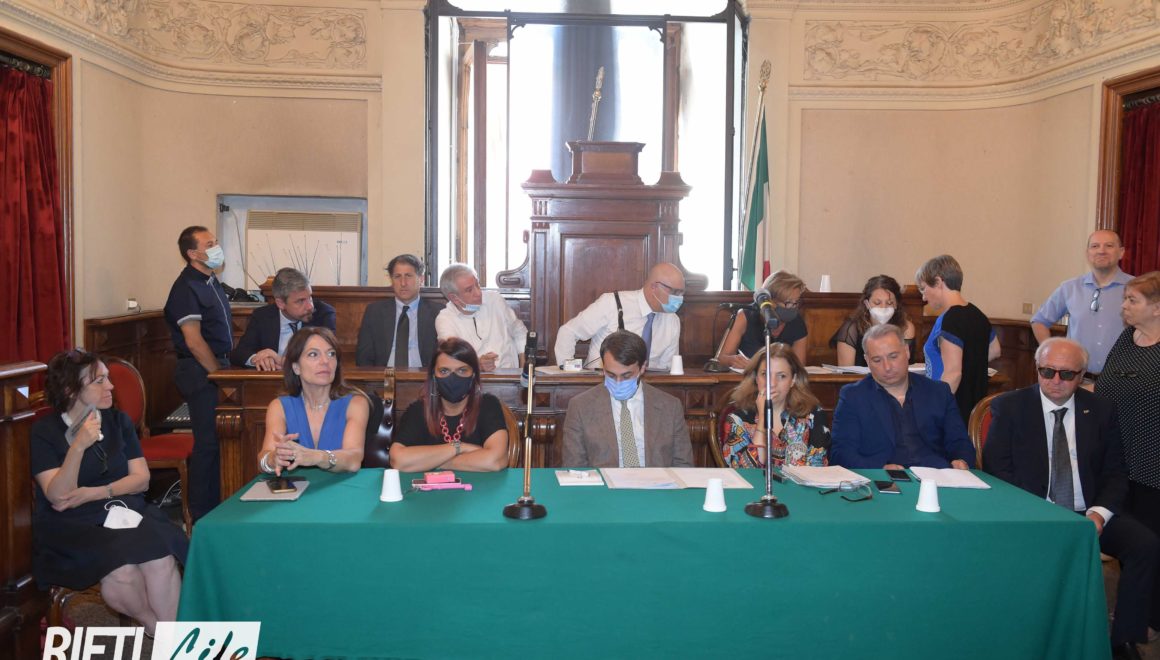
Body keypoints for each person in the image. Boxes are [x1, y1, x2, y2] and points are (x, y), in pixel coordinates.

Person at [986, 338, 1158, 660]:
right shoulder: (1010, 407)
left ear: (1081, 376)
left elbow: (1116, 472)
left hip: (1087, 511)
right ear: (1037, 369)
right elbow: (998, 472)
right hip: (1034, 512)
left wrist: (1099, 514)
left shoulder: (1101, 410)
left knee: (1145, 545)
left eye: (1066, 374)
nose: (1055, 381)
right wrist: (1041, 514)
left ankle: (1123, 641)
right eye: (1047, 371)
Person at [30, 349, 187, 636]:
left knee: (160, 559)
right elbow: (58, 496)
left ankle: (173, 641)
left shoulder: (117, 421)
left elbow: (141, 479)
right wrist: (78, 446)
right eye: (99, 381)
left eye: (108, 378)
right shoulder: (44, 432)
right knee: (123, 574)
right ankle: (159, 630)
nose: (111, 386)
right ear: (70, 390)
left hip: (122, 509)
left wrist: (96, 492)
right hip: (73, 524)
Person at [1097, 271, 1160, 609]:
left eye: (1132, 300)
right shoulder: (1126, 339)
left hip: (1153, 463)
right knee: (1128, 540)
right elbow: (1104, 387)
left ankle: (1150, 618)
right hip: (1117, 459)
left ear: (1157, 307)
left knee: (1152, 540)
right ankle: (1129, 610)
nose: (1124, 306)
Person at [831, 323, 975, 469]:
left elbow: (959, 442)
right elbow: (841, 453)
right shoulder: (853, 397)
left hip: (935, 474)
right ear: (867, 361)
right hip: (884, 477)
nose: (887, 367)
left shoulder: (938, 392)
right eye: (877, 360)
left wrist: (961, 460)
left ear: (906, 351)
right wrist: (880, 468)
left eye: (893, 356)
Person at [163, 225, 232, 521]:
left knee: (219, 442)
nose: (216, 247)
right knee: (208, 443)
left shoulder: (211, 281)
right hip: (200, 372)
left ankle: (220, 503)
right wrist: (219, 376)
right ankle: (201, 514)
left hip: (219, 367)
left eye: (216, 241)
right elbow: (194, 341)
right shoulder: (185, 288)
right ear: (193, 253)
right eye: (209, 244)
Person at [562, 330, 694, 468]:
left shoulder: (670, 407)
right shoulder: (580, 406)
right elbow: (574, 468)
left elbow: (684, 466)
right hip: (603, 481)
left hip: (655, 481)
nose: (618, 382)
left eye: (626, 376)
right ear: (603, 367)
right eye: (611, 375)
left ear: (642, 368)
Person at [258, 328, 369, 475]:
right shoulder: (279, 407)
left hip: (341, 486)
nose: (325, 361)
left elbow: (353, 459)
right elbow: (264, 458)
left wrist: (316, 457)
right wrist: (273, 459)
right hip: (297, 487)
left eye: (331, 354)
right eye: (313, 354)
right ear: (296, 367)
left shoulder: (356, 403)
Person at [390, 338, 509, 472]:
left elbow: (495, 460)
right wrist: (459, 447)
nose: (453, 378)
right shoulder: (419, 410)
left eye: (462, 370)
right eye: (444, 371)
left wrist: (431, 462)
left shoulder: (488, 405)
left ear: (473, 375)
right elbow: (398, 460)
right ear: (433, 376)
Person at [1031, 230, 1132, 377]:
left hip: (1122, 378)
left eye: (1109, 246)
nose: (1101, 251)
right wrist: (1052, 354)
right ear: (1087, 253)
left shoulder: (1136, 288)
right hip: (1077, 379)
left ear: (1121, 252)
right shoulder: (1069, 288)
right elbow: (1039, 321)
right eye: (1095, 246)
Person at [915, 254, 1000, 425]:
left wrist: (932, 409)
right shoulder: (977, 314)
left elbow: (953, 374)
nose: (923, 297)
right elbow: (995, 350)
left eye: (923, 289)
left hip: (951, 411)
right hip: (974, 410)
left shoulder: (950, 319)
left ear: (938, 282)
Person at [553, 263, 686, 370]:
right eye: (674, 292)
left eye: (681, 293)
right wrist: (569, 374)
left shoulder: (672, 321)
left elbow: (667, 368)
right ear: (654, 287)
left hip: (645, 389)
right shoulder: (612, 303)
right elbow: (568, 332)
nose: (679, 298)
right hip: (601, 384)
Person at [720, 344, 830, 468]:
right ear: (756, 378)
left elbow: (818, 470)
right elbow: (745, 472)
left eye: (781, 376)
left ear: (793, 380)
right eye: (765, 374)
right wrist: (762, 419)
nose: (772, 383)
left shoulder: (814, 416)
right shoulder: (737, 419)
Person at [230, 267, 337, 370]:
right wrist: (258, 359)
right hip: (272, 380)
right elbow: (239, 353)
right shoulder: (262, 316)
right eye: (300, 301)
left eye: (310, 297)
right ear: (280, 303)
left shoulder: (323, 314)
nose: (310, 306)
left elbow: (326, 357)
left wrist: (279, 359)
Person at [434, 264, 527, 372]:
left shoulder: (495, 300)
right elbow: (452, 359)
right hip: (474, 379)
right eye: (469, 290)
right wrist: (477, 364)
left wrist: (523, 371)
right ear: (454, 298)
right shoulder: (445, 320)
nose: (478, 293)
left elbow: (519, 333)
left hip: (510, 376)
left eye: (477, 284)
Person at [356, 254, 444, 368]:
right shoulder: (375, 312)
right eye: (397, 276)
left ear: (421, 279)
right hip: (384, 376)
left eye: (408, 276)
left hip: (424, 376)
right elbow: (363, 358)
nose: (403, 283)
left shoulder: (438, 312)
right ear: (391, 280)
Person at [718, 270, 808, 369]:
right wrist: (732, 360)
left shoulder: (797, 321)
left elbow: (799, 365)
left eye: (796, 302)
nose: (793, 307)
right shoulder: (745, 316)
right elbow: (722, 357)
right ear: (771, 301)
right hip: (748, 376)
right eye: (789, 302)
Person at [829, 274, 916, 367]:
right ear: (867, 304)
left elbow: (905, 366)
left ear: (896, 305)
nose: (883, 307)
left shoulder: (906, 328)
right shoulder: (851, 329)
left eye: (889, 303)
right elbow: (845, 371)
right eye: (877, 303)